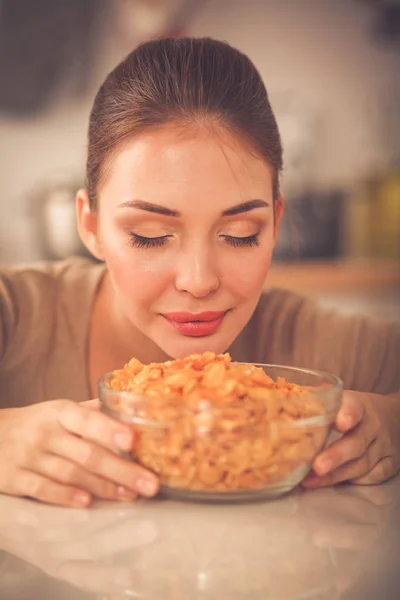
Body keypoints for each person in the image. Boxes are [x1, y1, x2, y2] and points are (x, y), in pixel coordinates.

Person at [0, 38, 399, 508]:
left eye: (240, 233)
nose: (198, 280)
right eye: (149, 235)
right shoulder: (17, 316)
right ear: (90, 225)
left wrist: (392, 420)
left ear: (274, 224)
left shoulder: (307, 339)